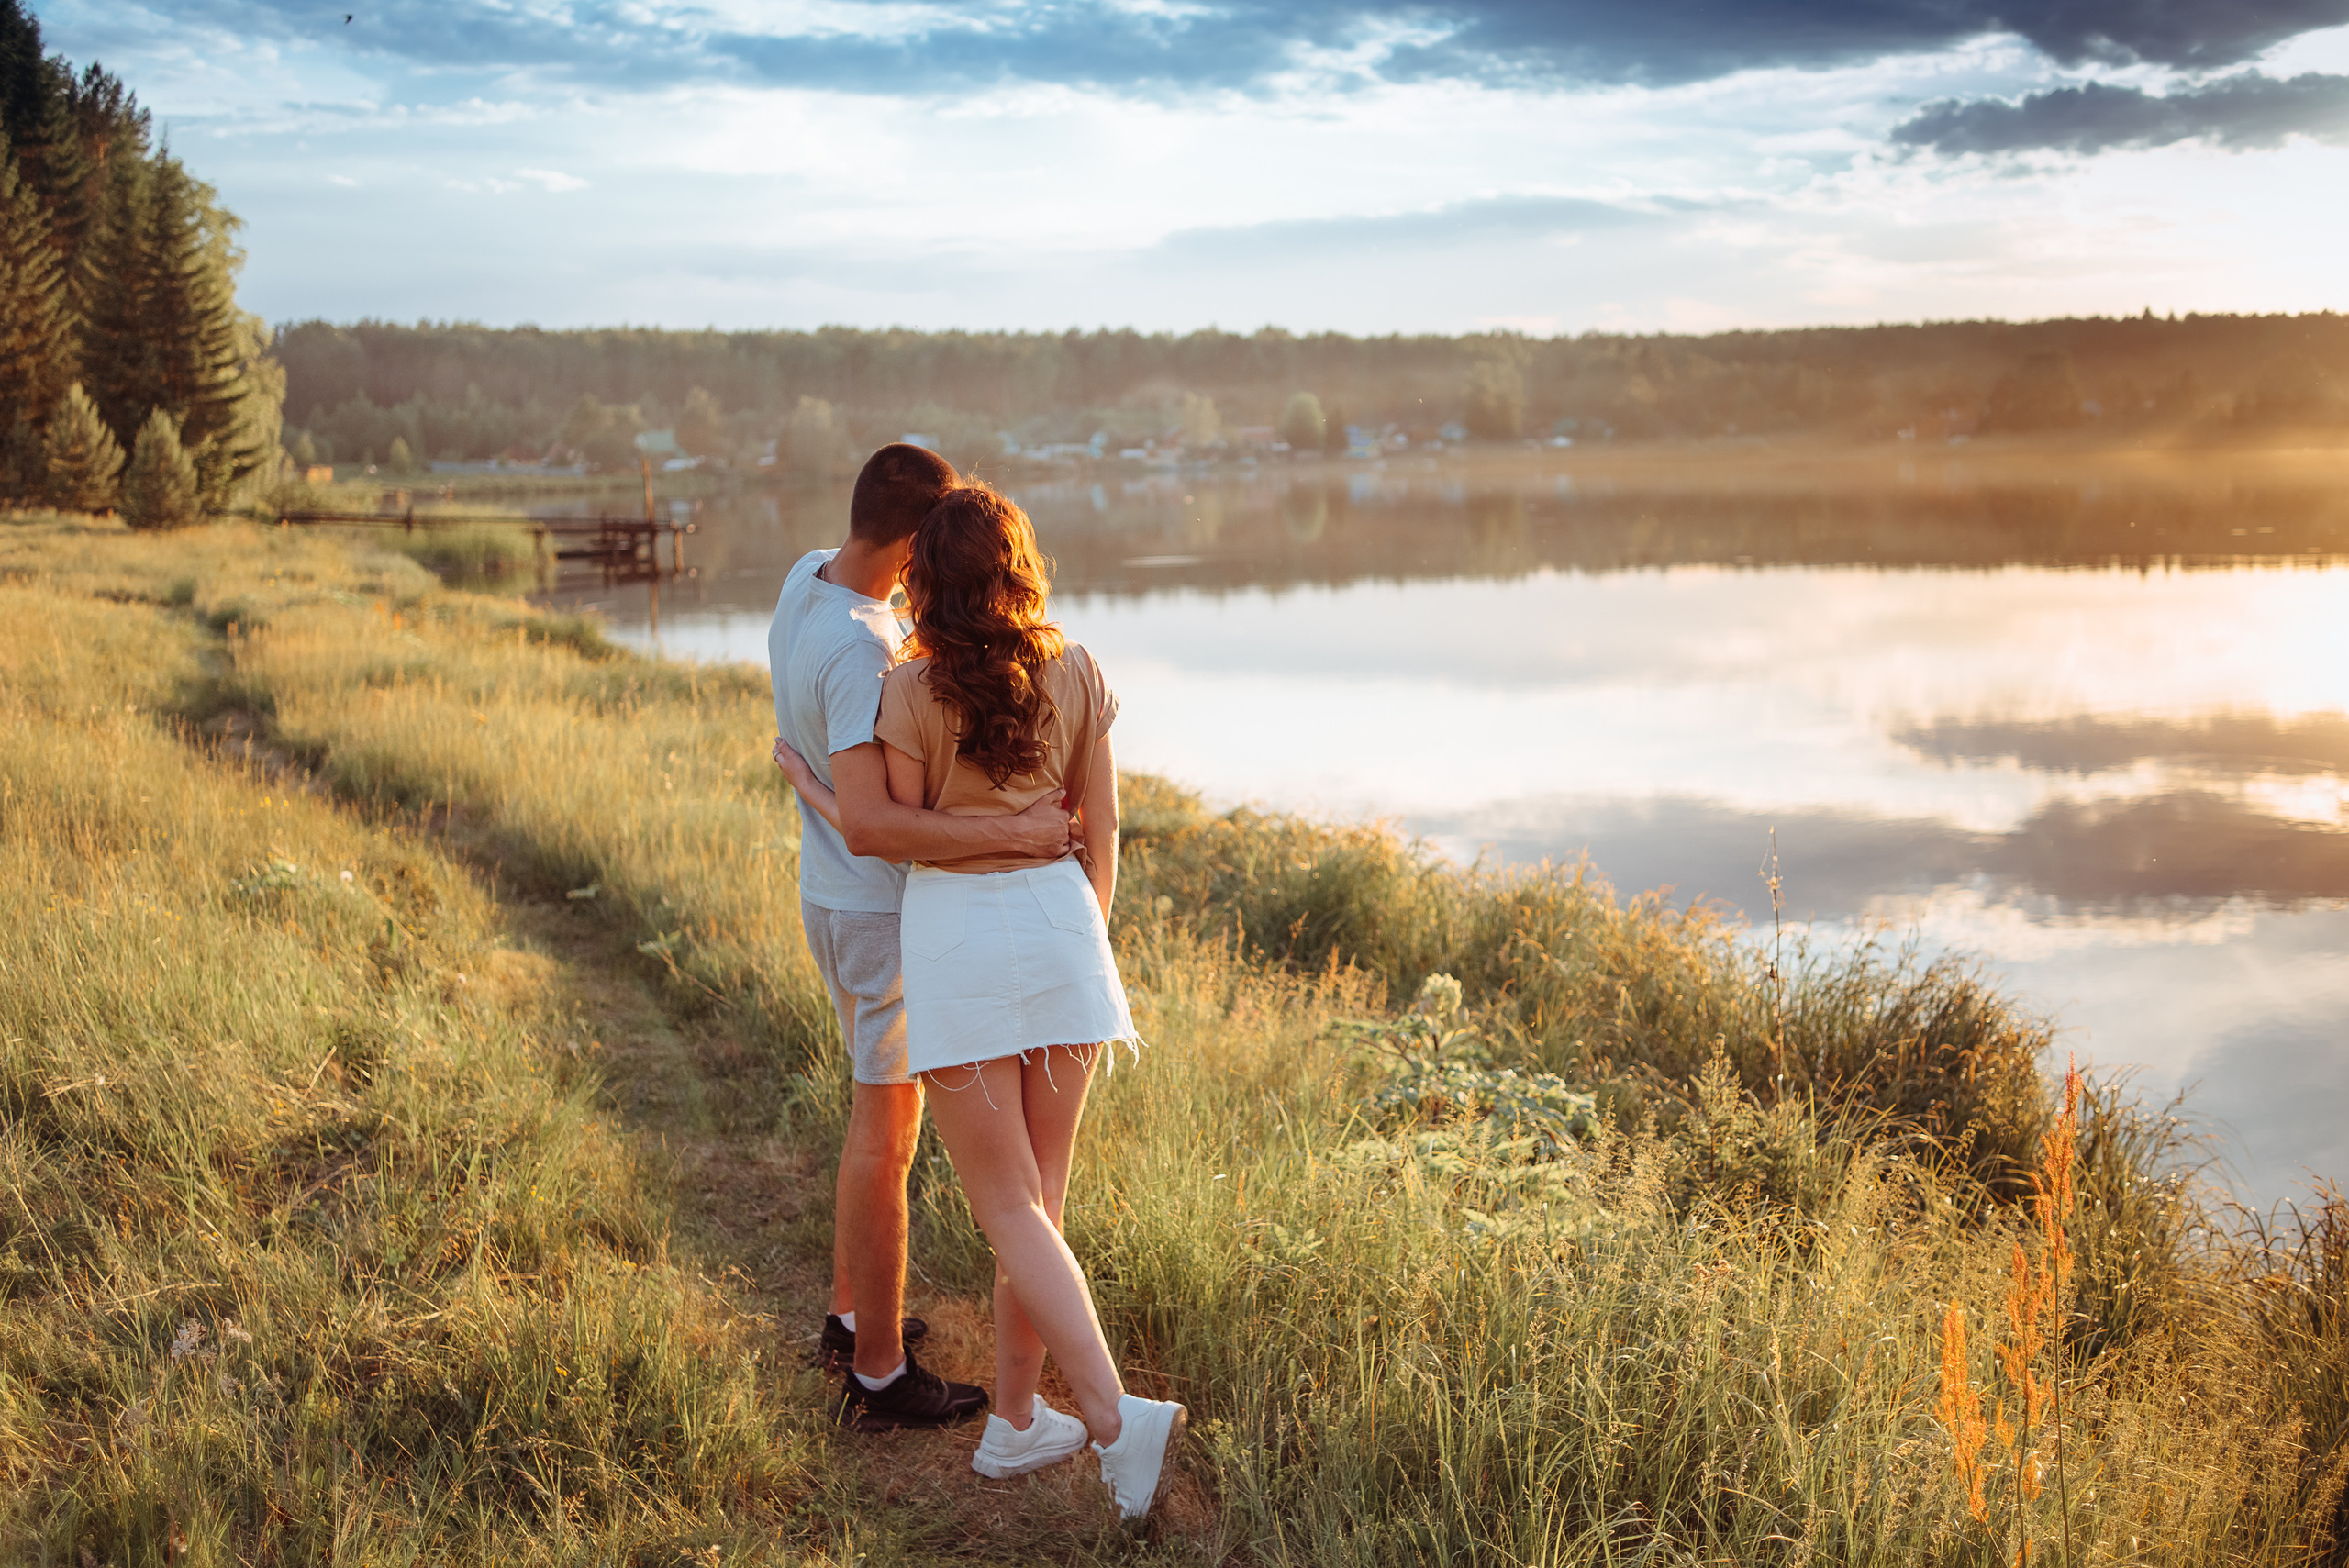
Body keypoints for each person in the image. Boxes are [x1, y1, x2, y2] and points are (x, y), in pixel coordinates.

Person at [773, 483, 1187, 1518]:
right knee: (1038, 1205)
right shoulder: (1082, 668)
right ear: (1017, 564)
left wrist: (820, 795)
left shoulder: (908, 690)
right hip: (1064, 936)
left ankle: (1107, 1415)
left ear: (922, 578)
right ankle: (1010, 1424)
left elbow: (900, 833)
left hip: (958, 941)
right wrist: (1071, 932)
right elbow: (1102, 839)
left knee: (1008, 1210)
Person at [767, 444, 1080, 1431]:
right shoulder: (864, 655)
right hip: (873, 907)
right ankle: (878, 1370)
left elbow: (841, 799)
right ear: (910, 549)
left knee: (875, 1125)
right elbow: (876, 823)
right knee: (885, 1136)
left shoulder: (803, 578)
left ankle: (849, 1309)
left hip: (831, 897)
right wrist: (1018, 831)